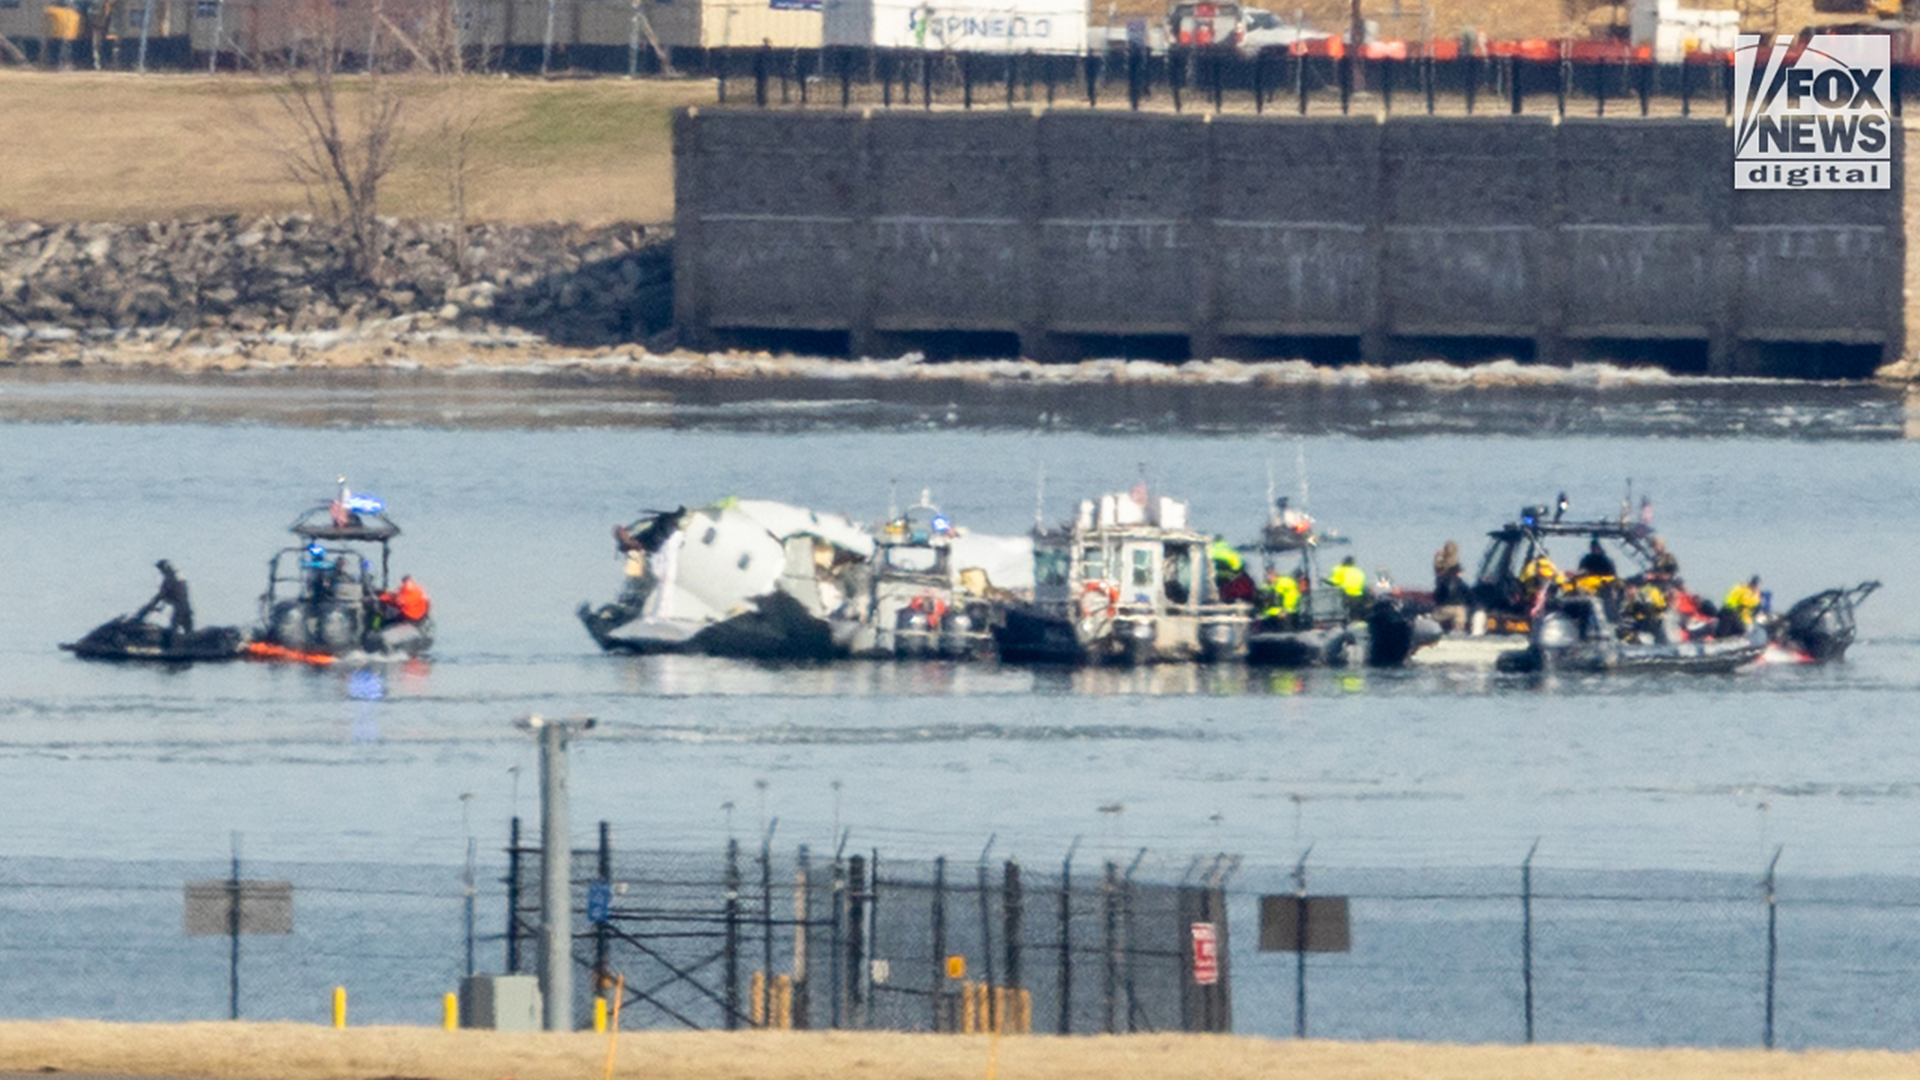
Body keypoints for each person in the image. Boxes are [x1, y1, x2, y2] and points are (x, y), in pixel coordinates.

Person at [134, 559, 193, 635]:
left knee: (173, 633)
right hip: (186, 608)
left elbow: (160, 596)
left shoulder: (170, 580)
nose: (161, 572)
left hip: (180, 610)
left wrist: (144, 611)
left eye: (161, 569)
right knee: (188, 632)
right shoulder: (180, 580)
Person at [1431, 546, 1471, 634]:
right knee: (1460, 614)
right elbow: (1469, 596)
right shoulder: (1458, 582)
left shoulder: (1442, 580)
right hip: (1456, 609)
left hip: (1442, 609)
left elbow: (1437, 596)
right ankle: (1458, 632)